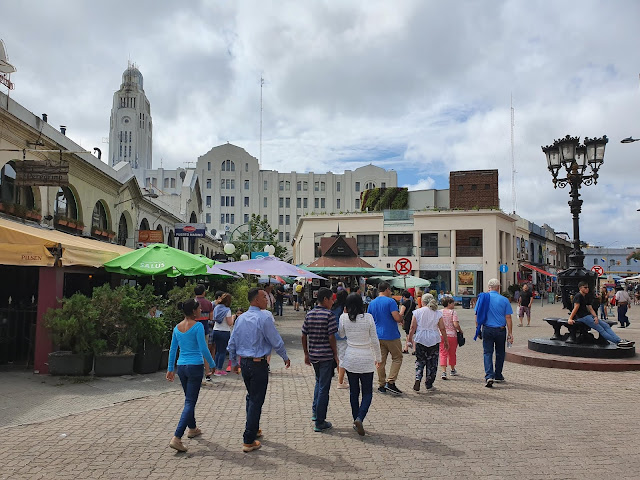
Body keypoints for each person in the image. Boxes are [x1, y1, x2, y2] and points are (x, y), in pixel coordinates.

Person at [227, 288, 290, 452]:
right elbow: (275, 340)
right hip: (257, 364)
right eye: (263, 297)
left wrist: (233, 362)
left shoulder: (240, 318)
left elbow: (232, 342)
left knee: (251, 397)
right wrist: (284, 356)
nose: (267, 300)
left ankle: (253, 428)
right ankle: (248, 439)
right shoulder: (263, 318)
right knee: (256, 400)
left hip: (245, 364)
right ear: (255, 300)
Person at [166, 298, 216, 452]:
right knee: (190, 402)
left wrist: (170, 369)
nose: (201, 310)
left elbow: (173, 349)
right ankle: (177, 437)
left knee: (189, 399)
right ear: (194, 311)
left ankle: (192, 428)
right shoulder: (198, 327)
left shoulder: (177, 328)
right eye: (199, 308)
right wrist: (212, 365)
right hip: (195, 366)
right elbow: (203, 348)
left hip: (181, 367)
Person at [338, 292, 381, 436]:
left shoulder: (344, 317)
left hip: (351, 357)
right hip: (366, 357)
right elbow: (375, 340)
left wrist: (344, 315)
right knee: (367, 392)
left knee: (354, 392)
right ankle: (360, 418)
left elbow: (342, 335)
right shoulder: (368, 317)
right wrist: (378, 358)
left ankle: (356, 419)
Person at [301, 287, 338, 432]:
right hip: (326, 356)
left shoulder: (309, 314)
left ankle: (315, 412)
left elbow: (303, 335)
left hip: (314, 356)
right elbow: (331, 336)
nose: (333, 302)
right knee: (324, 387)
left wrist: (306, 353)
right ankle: (320, 421)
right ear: (325, 300)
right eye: (331, 299)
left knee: (318, 382)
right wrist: (336, 354)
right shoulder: (329, 315)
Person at [569, 282, 634, 348]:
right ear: (580, 288)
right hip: (582, 317)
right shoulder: (578, 296)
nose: (587, 289)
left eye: (587, 287)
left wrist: (595, 317)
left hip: (588, 316)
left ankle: (619, 340)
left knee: (606, 326)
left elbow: (590, 308)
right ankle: (618, 342)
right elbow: (576, 307)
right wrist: (570, 318)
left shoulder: (586, 296)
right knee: (601, 329)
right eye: (585, 287)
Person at [475, 278, 513, 388]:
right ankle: (498, 375)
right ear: (499, 288)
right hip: (501, 329)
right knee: (500, 353)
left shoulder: (482, 298)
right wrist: (510, 333)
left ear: (489, 287)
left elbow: (477, 315)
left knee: (487, 352)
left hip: (487, 329)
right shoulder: (504, 300)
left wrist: (478, 328)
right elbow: (508, 317)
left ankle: (489, 376)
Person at [367, 281, 403, 395]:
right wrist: (401, 313)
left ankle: (381, 384)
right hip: (391, 334)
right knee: (397, 358)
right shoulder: (390, 301)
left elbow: (369, 319)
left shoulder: (372, 303)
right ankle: (391, 381)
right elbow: (397, 318)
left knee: (380, 361)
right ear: (387, 289)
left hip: (377, 335)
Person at [407, 293, 448, 391]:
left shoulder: (417, 312)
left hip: (421, 338)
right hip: (434, 338)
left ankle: (418, 377)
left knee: (420, 360)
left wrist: (409, 339)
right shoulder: (437, 313)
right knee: (432, 362)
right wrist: (446, 340)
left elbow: (413, 327)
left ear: (423, 301)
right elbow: (442, 328)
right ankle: (429, 384)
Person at [194, 284, 214, 382]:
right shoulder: (209, 303)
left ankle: (196, 373)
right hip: (205, 328)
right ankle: (207, 373)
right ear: (204, 292)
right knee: (205, 350)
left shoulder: (193, 302)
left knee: (194, 351)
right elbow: (211, 317)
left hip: (193, 329)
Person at [440, 297, 462, 379]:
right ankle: (452, 370)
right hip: (452, 335)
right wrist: (460, 330)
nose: (453, 304)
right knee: (452, 353)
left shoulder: (439, 312)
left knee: (443, 353)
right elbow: (455, 324)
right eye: (452, 303)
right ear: (449, 303)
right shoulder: (453, 312)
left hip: (442, 335)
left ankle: (443, 371)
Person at [331, 289, 350, 389]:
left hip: (331, 334)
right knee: (342, 358)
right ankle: (340, 382)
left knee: (337, 357)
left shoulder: (333, 306)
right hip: (342, 335)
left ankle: (340, 376)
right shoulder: (344, 308)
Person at [212, 293, 233, 376]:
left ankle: (215, 367)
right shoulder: (227, 310)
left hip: (215, 330)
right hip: (224, 331)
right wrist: (233, 319)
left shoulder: (216, 308)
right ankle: (219, 369)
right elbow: (229, 323)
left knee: (217, 350)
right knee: (222, 351)